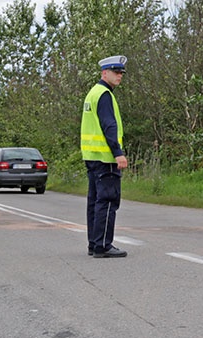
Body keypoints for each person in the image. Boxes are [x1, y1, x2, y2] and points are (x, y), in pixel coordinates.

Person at [81, 55, 129, 258]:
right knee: (108, 201)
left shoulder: (93, 93)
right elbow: (109, 125)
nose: (119, 76)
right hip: (105, 158)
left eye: (121, 73)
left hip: (92, 156)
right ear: (104, 73)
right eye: (115, 72)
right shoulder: (104, 94)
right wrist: (118, 153)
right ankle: (103, 245)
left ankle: (94, 243)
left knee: (95, 201)